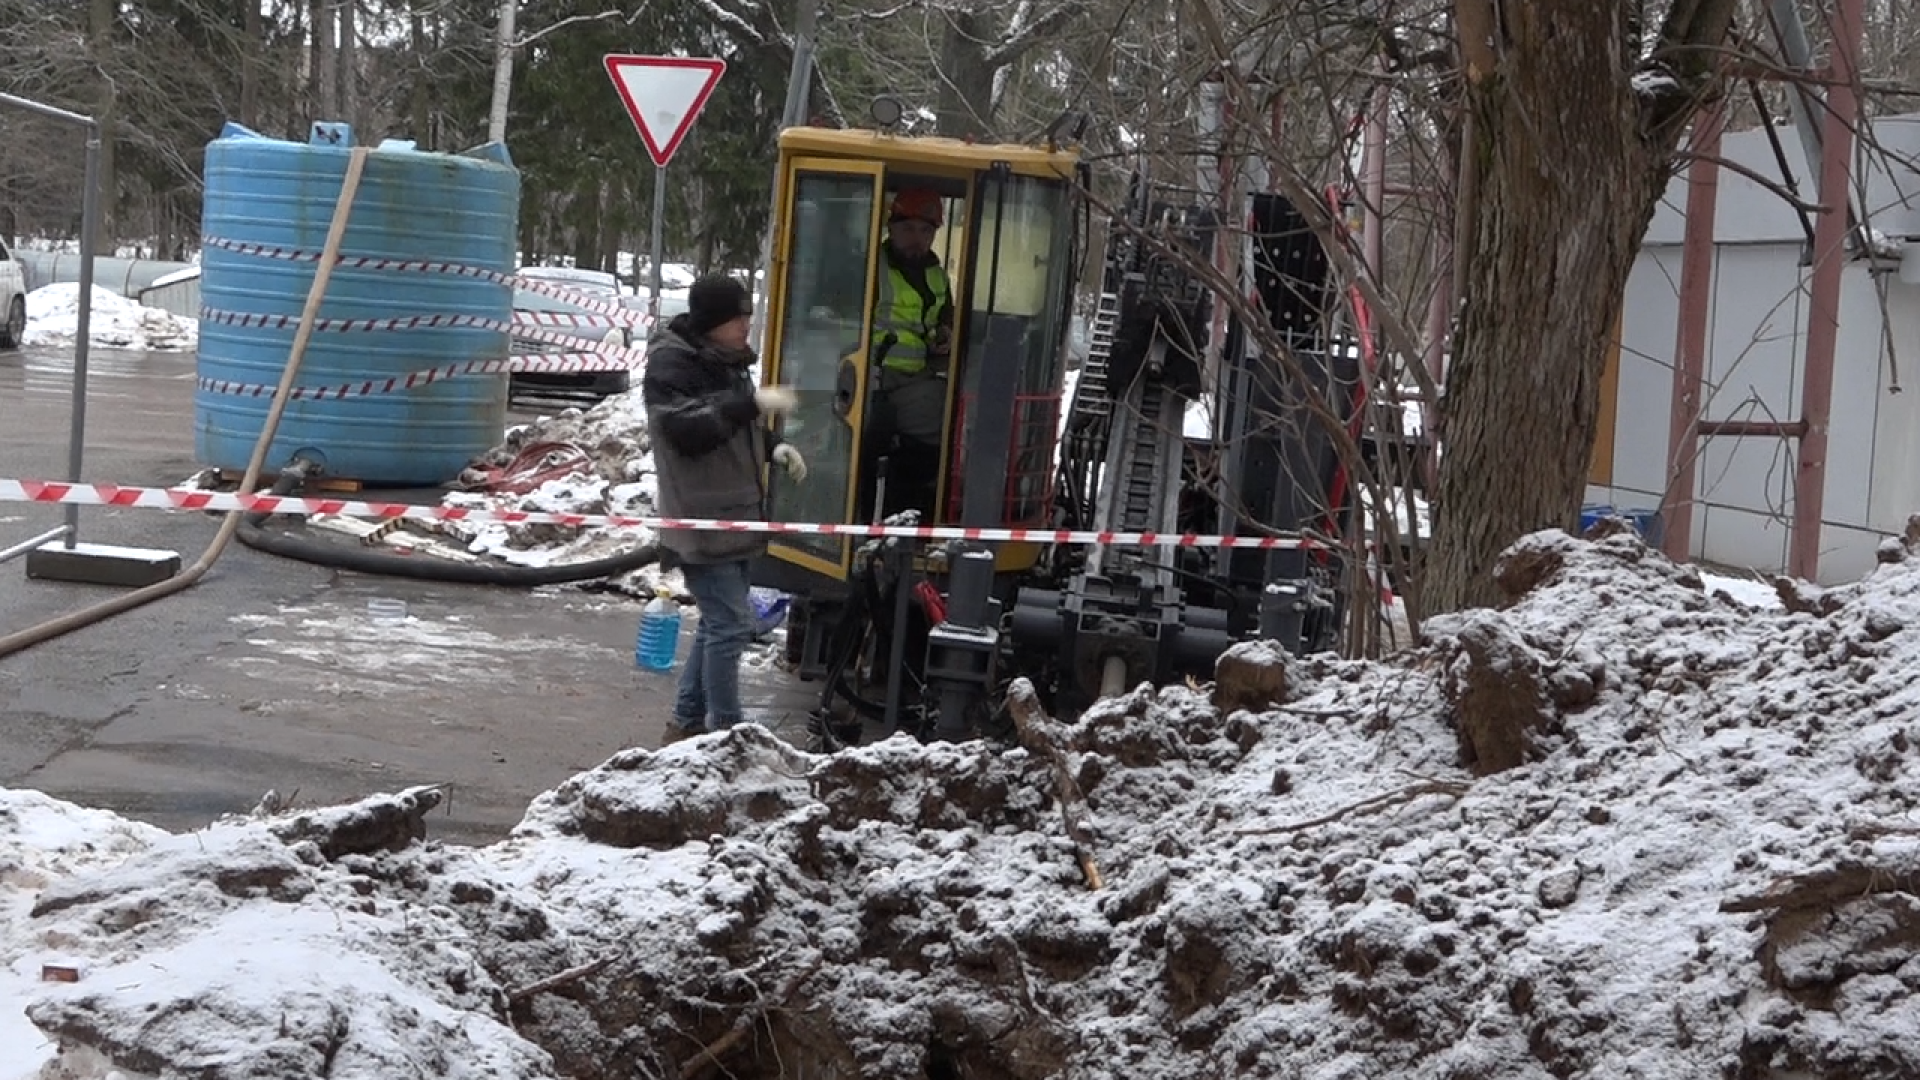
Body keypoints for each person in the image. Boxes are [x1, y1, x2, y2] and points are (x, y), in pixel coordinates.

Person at [642, 274, 808, 739]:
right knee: (732, 624)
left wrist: (773, 446)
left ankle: (686, 722)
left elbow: (740, 427)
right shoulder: (673, 366)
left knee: (720, 624)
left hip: (736, 515)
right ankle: (728, 733)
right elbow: (688, 434)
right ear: (711, 321)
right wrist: (750, 404)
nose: (745, 326)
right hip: (700, 517)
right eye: (737, 318)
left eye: (748, 316)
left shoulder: (729, 361)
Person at [860, 187, 956, 519]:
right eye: (908, 229)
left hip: (915, 380)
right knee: (869, 441)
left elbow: (944, 320)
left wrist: (944, 336)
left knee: (952, 420)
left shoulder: (937, 275)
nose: (917, 238)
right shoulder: (871, 266)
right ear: (891, 228)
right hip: (869, 377)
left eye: (926, 230)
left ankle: (914, 507)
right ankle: (866, 514)